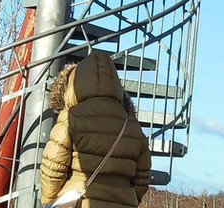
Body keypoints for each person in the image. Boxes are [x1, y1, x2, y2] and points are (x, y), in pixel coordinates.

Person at [39, 50, 152, 207]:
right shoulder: (132, 126)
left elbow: (52, 168)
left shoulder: (71, 118)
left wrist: (50, 201)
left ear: (74, 85)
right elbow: (142, 178)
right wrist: (127, 199)